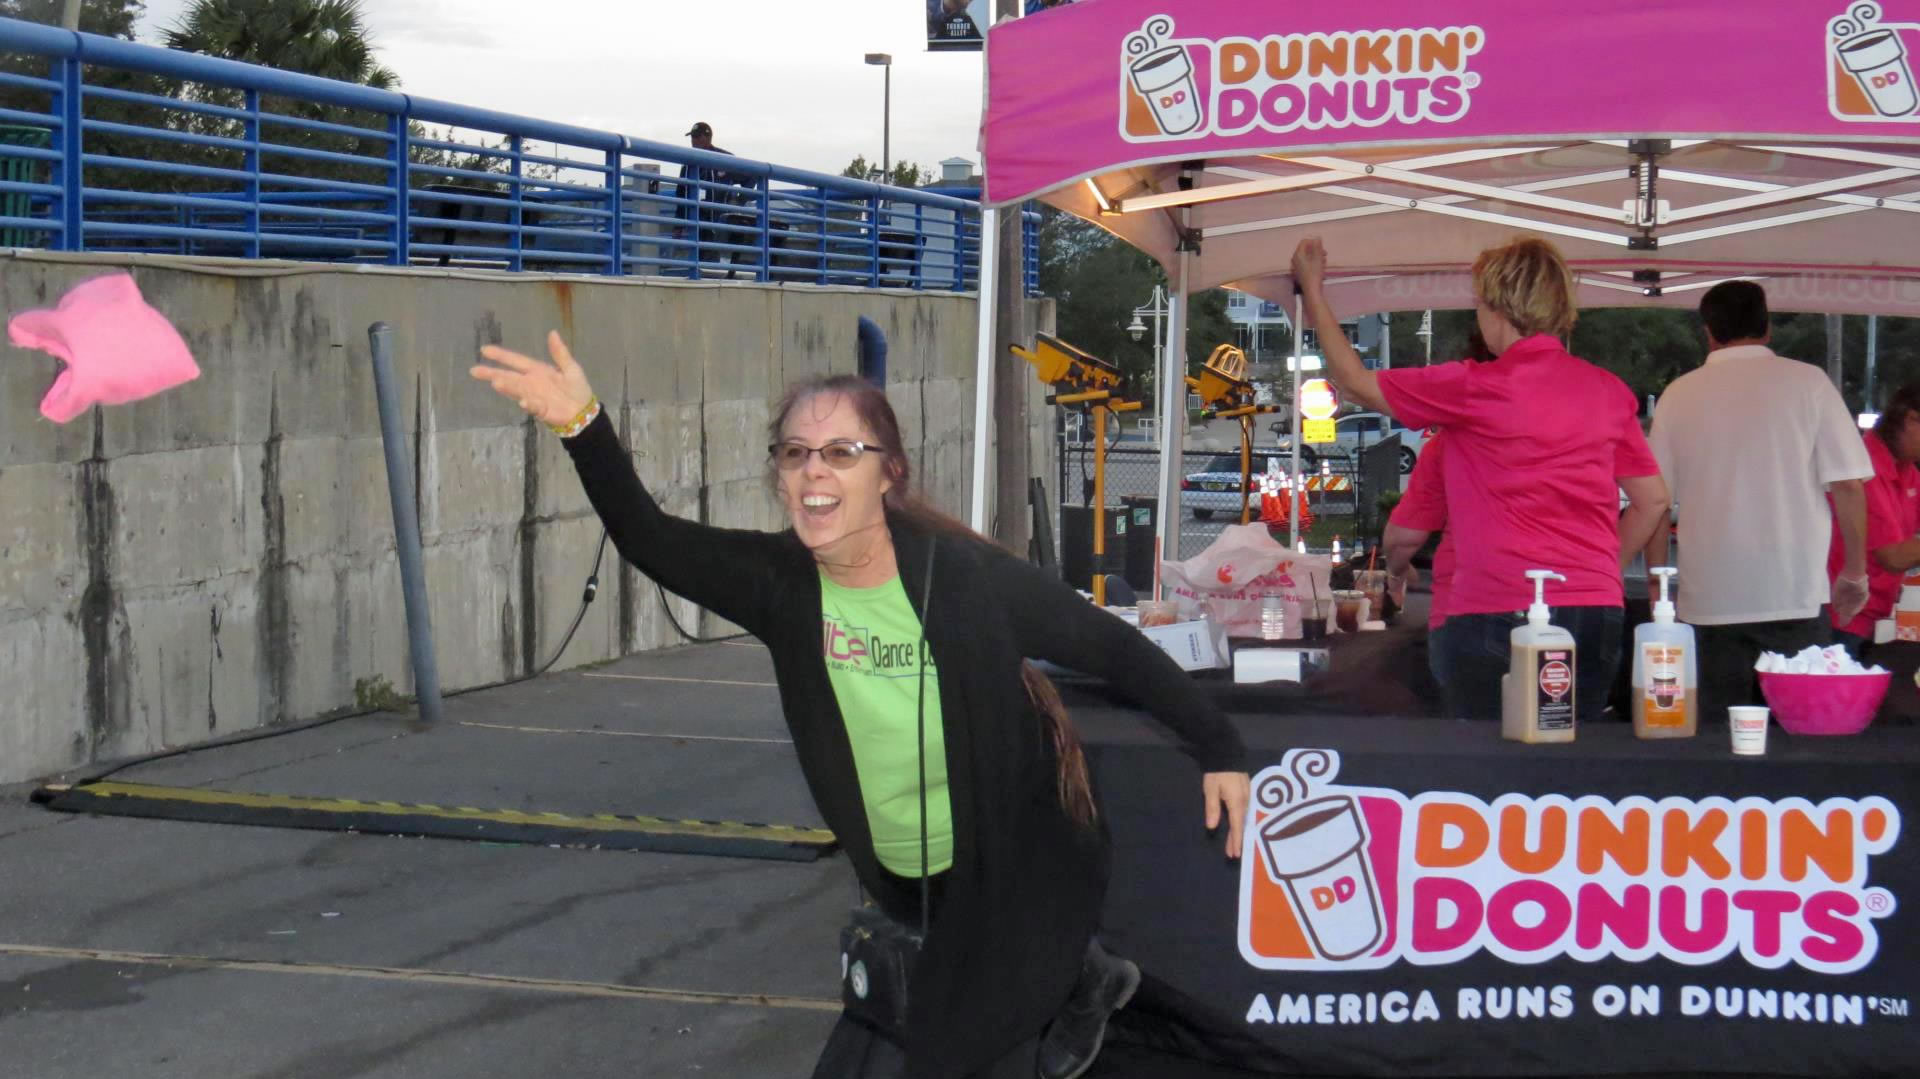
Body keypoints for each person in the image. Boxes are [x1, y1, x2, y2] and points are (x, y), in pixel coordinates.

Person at [469, 334, 1251, 1079]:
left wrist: (1218, 747)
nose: (815, 470)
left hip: (1019, 870)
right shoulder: (780, 586)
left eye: (842, 451)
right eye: (795, 452)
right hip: (909, 884)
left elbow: (1108, 646)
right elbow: (649, 536)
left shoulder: (964, 580)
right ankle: (1086, 976)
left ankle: (1078, 976)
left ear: (888, 473)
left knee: (954, 1049)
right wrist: (582, 423)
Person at [1292, 235, 1670, 722]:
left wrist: (1313, 291)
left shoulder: (1474, 386)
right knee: (1572, 758)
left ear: (1498, 308)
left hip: (1492, 606)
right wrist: (1602, 567)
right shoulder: (1609, 391)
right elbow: (1652, 500)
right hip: (1593, 608)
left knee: (1485, 761)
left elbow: (1354, 382)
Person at [1644, 281, 1872, 716]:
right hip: (1793, 591)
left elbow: (1656, 500)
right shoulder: (1809, 383)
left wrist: (1658, 581)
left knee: (1713, 738)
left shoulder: (1679, 395)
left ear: (1708, 331)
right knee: (1800, 731)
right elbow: (1848, 484)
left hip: (1709, 597)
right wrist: (1855, 572)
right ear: (1767, 327)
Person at [1828, 382, 1920, 657]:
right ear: (1911, 419)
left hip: (1867, 617)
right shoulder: (1865, 466)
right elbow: (1892, 556)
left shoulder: (1906, 469)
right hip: (1839, 619)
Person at [675, 121, 752, 278]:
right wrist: (678, 225)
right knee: (694, 263)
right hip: (695, 222)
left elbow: (751, 177)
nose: (693, 141)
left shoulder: (723, 159)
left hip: (718, 223)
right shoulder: (688, 163)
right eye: (692, 137)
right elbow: (681, 194)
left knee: (711, 266)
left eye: (697, 137)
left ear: (707, 137)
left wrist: (740, 200)